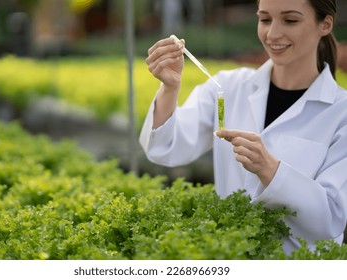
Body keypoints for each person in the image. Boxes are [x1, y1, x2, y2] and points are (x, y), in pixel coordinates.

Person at [139, 0, 347, 255]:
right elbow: (164, 148)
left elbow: (333, 217)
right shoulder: (228, 86)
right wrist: (169, 88)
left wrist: (269, 169)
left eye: (290, 20)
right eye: (265, 19)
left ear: (325, 24)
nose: (272, 34)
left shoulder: (341, 113)